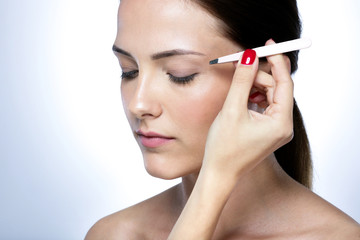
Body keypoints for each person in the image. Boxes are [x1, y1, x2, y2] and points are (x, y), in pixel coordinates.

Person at [85, 0, 360, 239]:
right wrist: (215, 182)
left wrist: (216, 177)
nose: (138, 104)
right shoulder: (114, 234)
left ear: (260, 80)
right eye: (128, 71)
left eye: (180, 74)